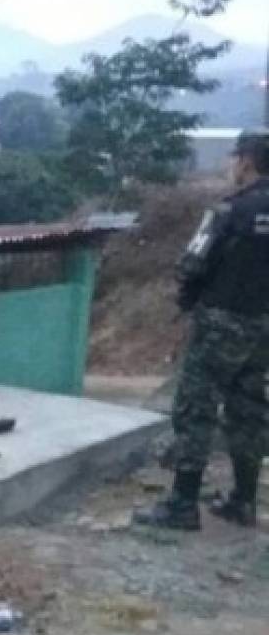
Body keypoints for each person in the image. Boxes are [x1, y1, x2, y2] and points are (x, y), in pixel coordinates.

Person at [135, 129, 269, 531]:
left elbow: (192, 264)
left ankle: (183, 504)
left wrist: (188, 299)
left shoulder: (230, 211)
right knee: (249, 409)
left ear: (246, 160)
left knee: (196, 408)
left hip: (220, 322)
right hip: (264, 326)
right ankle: (243, 500)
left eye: (234, 158)